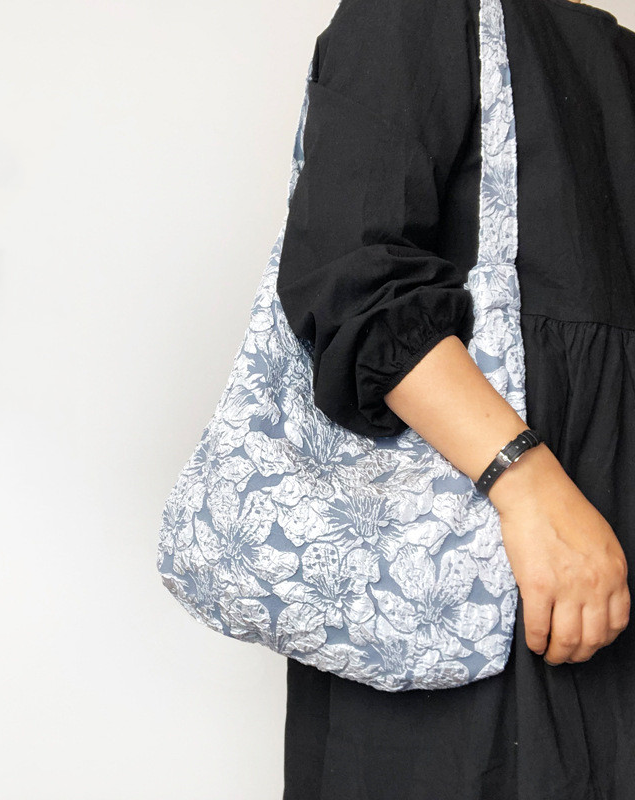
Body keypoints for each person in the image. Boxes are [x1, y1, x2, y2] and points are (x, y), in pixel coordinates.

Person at [276, 0, 635, 797]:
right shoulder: (421, 14)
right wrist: (528, 485)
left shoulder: (614, 54)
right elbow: (354, 283)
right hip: (477, 587)